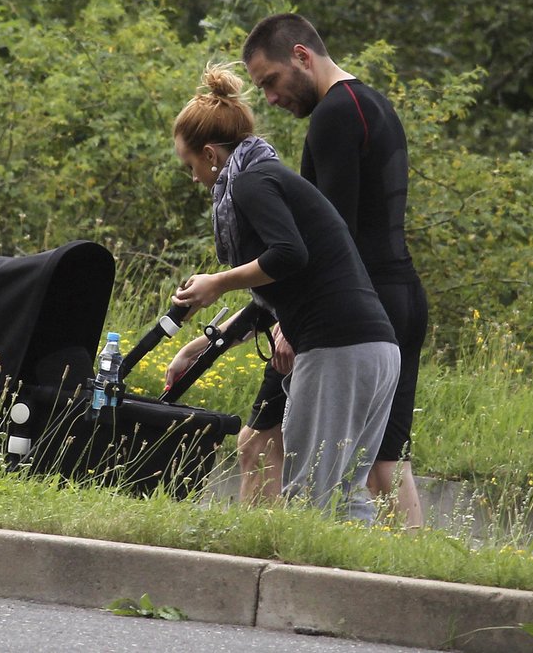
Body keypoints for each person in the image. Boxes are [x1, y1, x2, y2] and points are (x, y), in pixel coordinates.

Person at [165, 63, 400, 522]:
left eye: (189, 165)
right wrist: (200, 346)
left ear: (211, 154)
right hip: (374, 348)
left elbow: (290, 256)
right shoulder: (267, 176)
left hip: (336, 349)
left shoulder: (252, 181)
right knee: (343, 497)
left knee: (308, 499)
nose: (193, 177)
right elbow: (271, 291)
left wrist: (217, 282)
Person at [240, 13, 429, 528]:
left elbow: (330, 236)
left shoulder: (333, 116)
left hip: (348, 310)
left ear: (302, 55)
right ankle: (416, 578)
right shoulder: (373, 104)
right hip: (400, 300)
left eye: (272, 82)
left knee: (260, 444)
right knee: (382, 467)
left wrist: (290, 324)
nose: (272, 99)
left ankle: (265, 552)